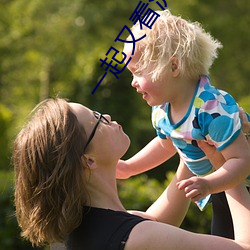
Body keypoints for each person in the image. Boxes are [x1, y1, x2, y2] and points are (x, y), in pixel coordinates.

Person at [13, 98, 250, 250]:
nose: (106, 116)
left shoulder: (73, 234)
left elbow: (156, 221)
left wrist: (190, 137)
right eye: (97, 120)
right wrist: (226, 165)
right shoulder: (138, 238)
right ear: (88, 160)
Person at [118, 9, 250, 239]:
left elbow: (242, 160)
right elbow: (166, 145)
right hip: (220, 189)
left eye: (138, 72)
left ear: (173, 67)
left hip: (239, 185)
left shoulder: (211, 109)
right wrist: (130, 167)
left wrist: (209, 183)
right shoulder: (162, 110)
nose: (133, 83)